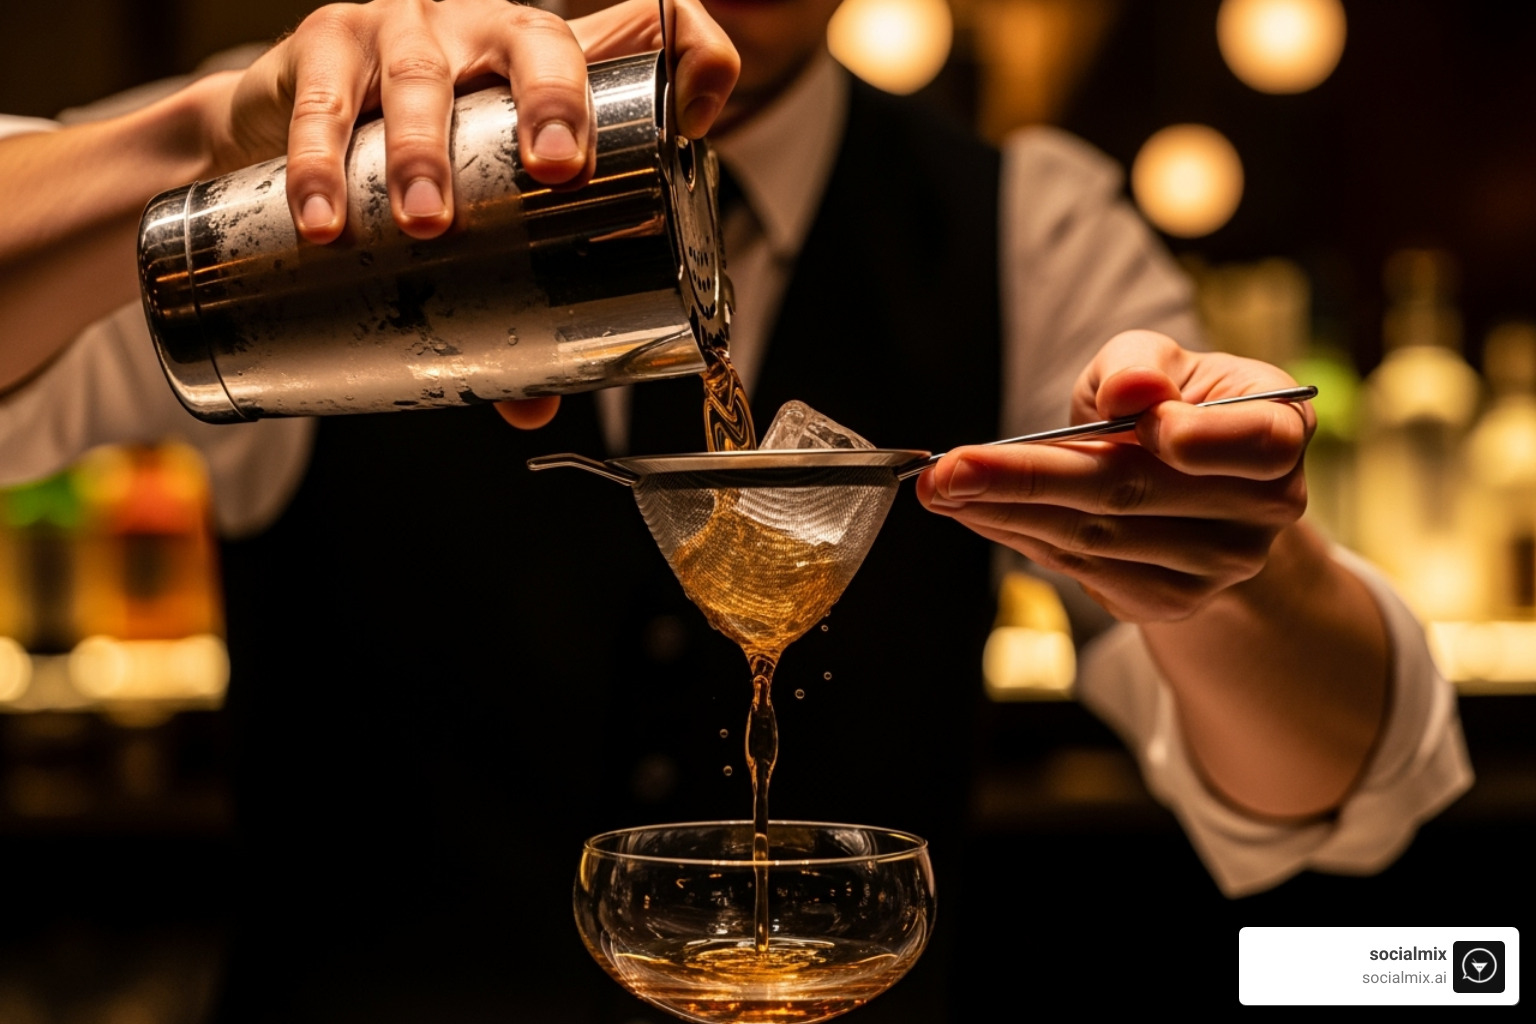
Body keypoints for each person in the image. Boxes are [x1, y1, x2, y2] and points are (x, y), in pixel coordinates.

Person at [0, 0, 1470, 1019]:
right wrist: (201, 134)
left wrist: (1232, 576)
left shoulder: (1025, 226)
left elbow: (1333, 806)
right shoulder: (324, 173)